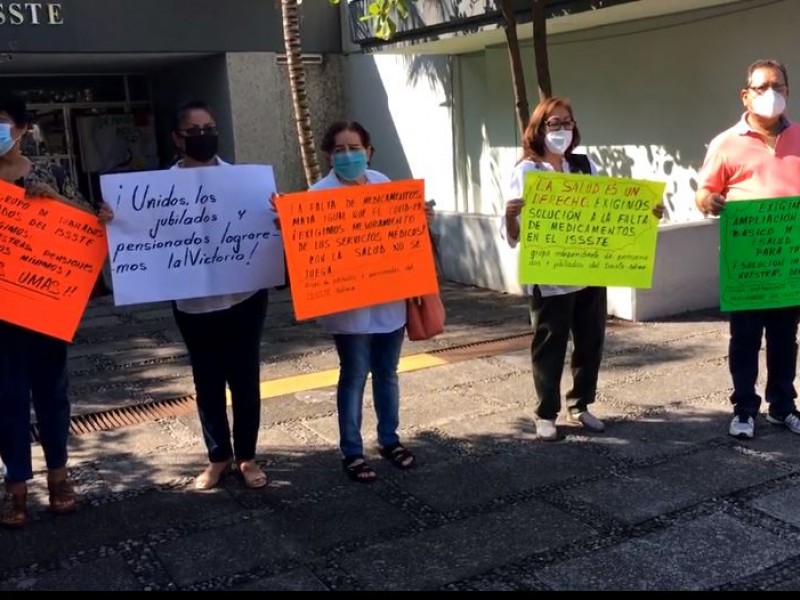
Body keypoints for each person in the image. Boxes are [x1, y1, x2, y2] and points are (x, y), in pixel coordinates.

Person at [100, 101, 270, 489]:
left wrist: (277, 216)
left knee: (245, 381)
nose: (203, 136)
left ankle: (247, 457)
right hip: (194, 306)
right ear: (177, 138)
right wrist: (114, 219)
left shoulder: (244, 182)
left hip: (245, 298)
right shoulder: (156, 190)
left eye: (209, 128)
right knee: (207, 381)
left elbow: (264, 225)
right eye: (193, 131)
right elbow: (137, 230)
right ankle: (217, 458)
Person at [502, 96, 663, 442]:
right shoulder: (526, 171)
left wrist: (646, 215)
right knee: (550, 344)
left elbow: (609, 211)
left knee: (590, 342)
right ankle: (546, 413)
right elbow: (513, 237)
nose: (561, 129)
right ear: (539, 128)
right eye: (553, 123)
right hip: (550, 278)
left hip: (589, 272)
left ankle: (581, 404)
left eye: (567, 122)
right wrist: (509, 216)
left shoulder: (585, 165)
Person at [287, 121, 428, 483]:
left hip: (389, 303)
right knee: (353, 376)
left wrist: (419, 219)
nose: (348, 155)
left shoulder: (384, 184)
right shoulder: (318, 195)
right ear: (328, 155)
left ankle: (389, 440)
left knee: (387, 374)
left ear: (369, 151)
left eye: (354, 148)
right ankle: (351, 450)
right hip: (348, 310)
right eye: (339, 149)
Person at [695, 59, 800, 440]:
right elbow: (703, 192)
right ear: (746, 94)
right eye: (762, 87)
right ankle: (744, 407)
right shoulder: (726, 143)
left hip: (789, 264)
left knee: (786, 339)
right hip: (745, 265)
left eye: (778, 86)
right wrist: (709, 200)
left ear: (788, 92)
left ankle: (783, 406)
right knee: (745, 339)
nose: (771, 93)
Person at [0, 92, 87, 528]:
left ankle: (59, 475)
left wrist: (56, 201)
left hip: (46, 308)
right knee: (6, 399)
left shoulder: (51, 172)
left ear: (20, 127)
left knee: (52, 395)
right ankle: (16, 485)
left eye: (0, 121)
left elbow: (88, 225)